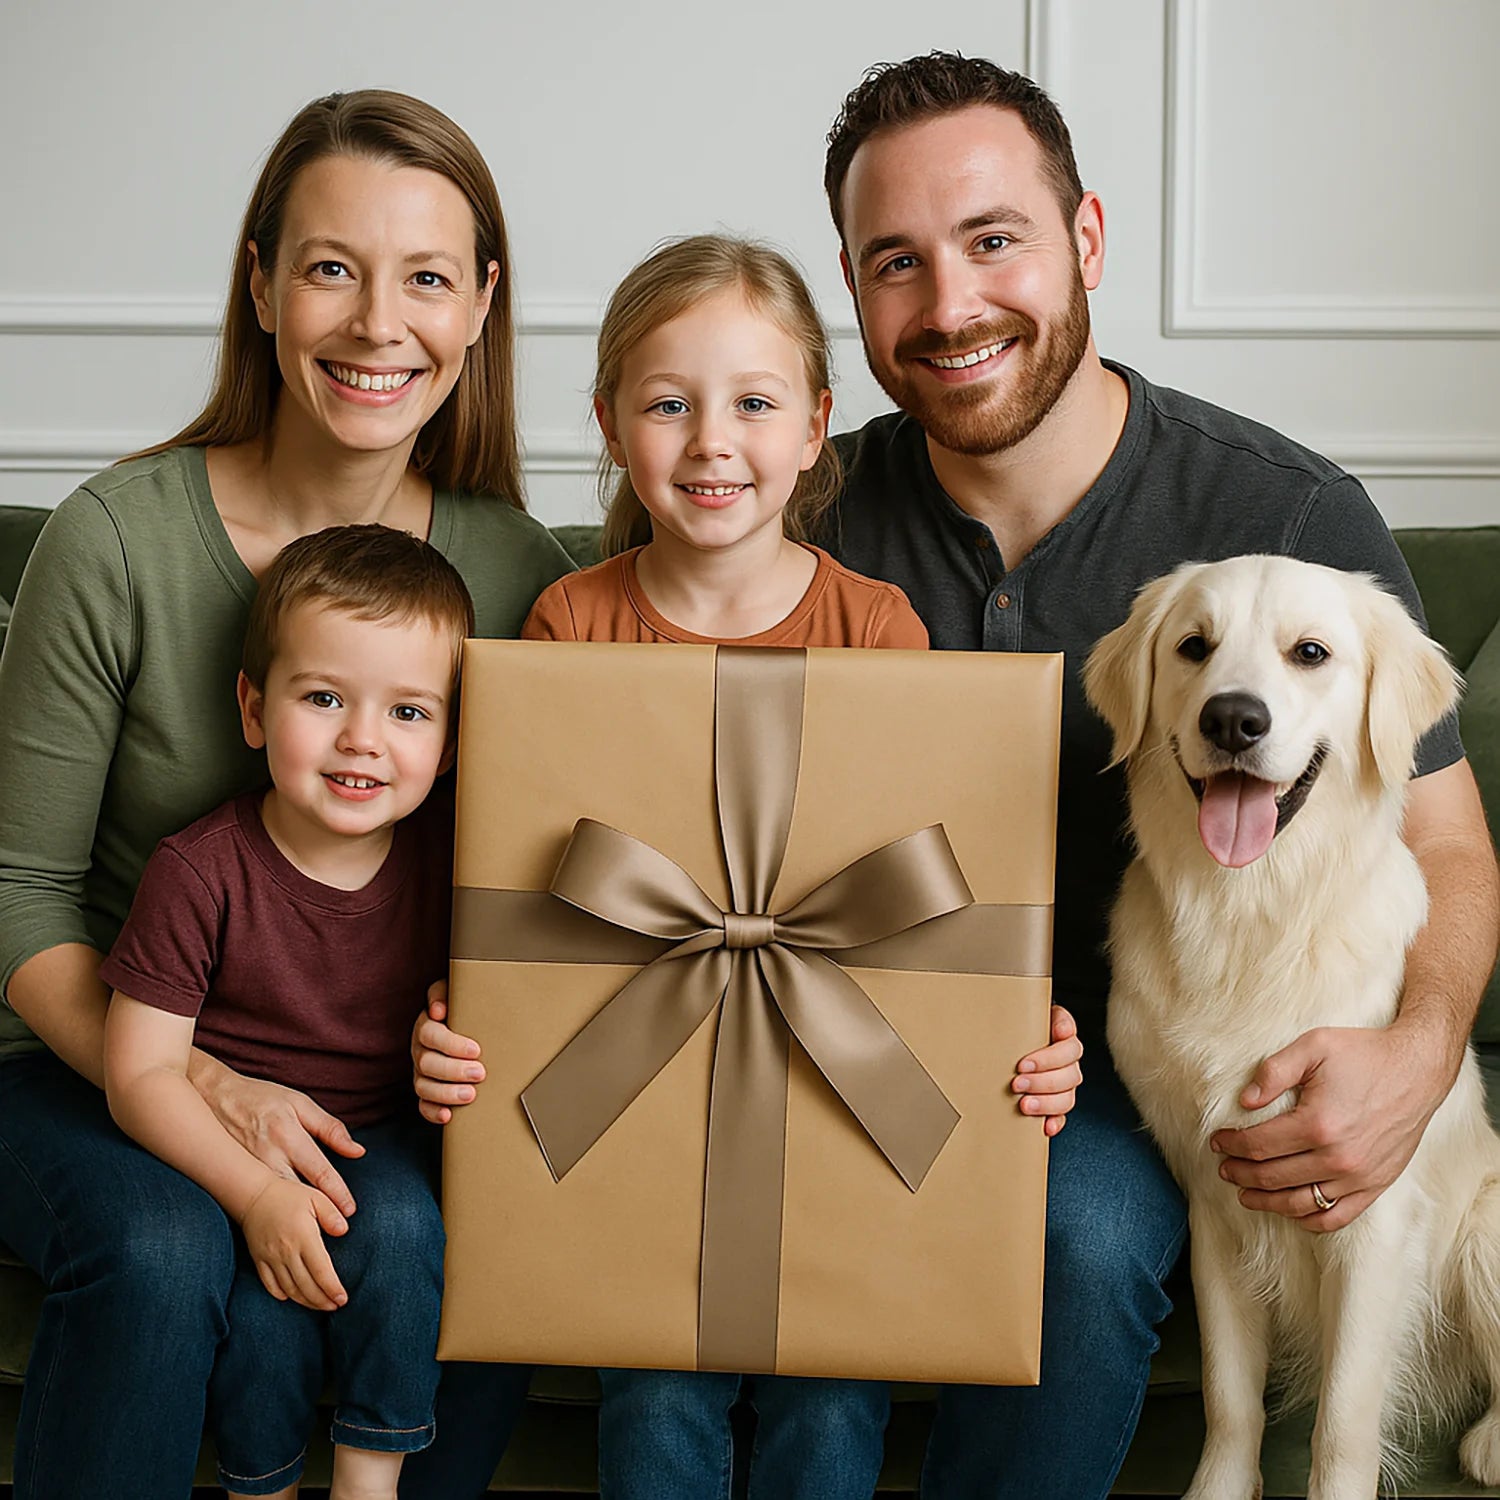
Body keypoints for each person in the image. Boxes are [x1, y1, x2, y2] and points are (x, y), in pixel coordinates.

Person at [815, 51, 1500, 1500]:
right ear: (855, 287)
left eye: (994, 240)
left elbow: (1448, 845)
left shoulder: (1287, 513)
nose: (950, 306)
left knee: (1084, 1233)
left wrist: (1421, 1052)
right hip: (869, 1051)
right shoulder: (809, 509)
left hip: (1148, 1092)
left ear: (1087, 241)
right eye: (897, 263)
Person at [0, 90, 573, 1500]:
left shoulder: (526, 579)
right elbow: (19, 897)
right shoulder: (115, 541)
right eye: (330, 267)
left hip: (376, 1090)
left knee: (503, 1206)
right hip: (98, 1058)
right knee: (165, 1244)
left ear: (481, 306)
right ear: (260, 284)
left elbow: (558, 892)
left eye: (428, 278)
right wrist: (201, 1083)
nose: (380, 324)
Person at [103, 525, 471, 1500]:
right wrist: (256, 1195)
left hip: (383, 1132)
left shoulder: (457, 858)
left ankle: (369, 1481)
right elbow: (139, 1073)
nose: (363, 738)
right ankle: (259, 1484)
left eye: (408, 710)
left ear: (451, 739)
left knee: (402, 1230)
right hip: (234, 1142)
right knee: (262, 1311)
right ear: (254, 708)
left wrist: (454, 1030)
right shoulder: (199, 871)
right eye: (323, 698)